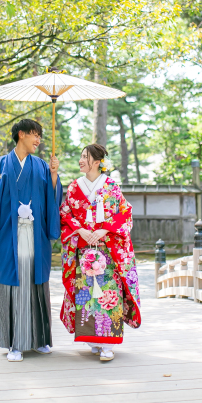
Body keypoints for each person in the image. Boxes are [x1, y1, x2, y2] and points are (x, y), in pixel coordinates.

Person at [0, 119, 61, 362]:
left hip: (35, 235)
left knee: (35, 286)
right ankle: (15, 344)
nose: (39, 140)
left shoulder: (43, 166)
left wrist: (54, 176)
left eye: (40, 136)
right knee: (13, 287)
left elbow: (52, 199)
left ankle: (40, 339)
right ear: (21, 134)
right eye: (35, 135)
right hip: (8, 236)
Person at [59, 144, 141, 361]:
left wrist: (105, 229)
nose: (80, 160)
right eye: (80, 156)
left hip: (107, 251)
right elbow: (65, 213)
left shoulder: (111, 186)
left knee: (108, 295)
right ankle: (93, 341)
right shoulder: (74, 187)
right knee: (86, 297)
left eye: (85, 157)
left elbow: (124, 212)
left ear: (97, 162)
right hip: (84, 250)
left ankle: (108, 346)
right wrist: (81, 230)